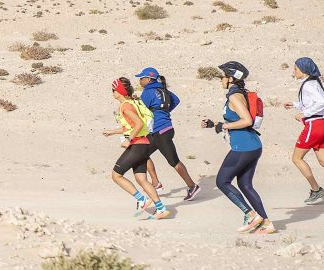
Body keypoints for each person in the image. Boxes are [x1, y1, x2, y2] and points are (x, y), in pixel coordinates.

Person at [201, 61, 275, 234]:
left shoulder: (234, 96)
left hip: (243, 147)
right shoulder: (240, 93)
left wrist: (224, 126)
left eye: (222, 76)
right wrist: (215, 124)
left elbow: (246, 120)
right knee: (245, 184)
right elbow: (236, 119)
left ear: (231, 78)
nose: (220, 79)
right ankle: (266, 223)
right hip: (252, 145)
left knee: (222, 181)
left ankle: (250, 215)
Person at [103, 78, 172, 219]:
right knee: (142, 179)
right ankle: (161, 209)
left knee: (116, 175)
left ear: (119, 91)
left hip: (137, 145)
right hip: (144, 144)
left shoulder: (125, 106)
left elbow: (139, 124)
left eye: (113, 90)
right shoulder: (133, 103)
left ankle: (141, 199)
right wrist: (113, 132)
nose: (112, 92)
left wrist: (128, 140)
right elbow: (131, 126)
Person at [135, 67, 201, 200]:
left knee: (174, 161)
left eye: (141, 78)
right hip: (165, 129)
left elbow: (139, 111)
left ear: (149, 79)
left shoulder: (147, 92)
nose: (139, 81)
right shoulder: (163, 89)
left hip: (160, 131)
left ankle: (192, 186)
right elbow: (176, 100)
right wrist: (164, 111)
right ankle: (156, 183)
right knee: (141, 153)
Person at [283, 57, 324, 204]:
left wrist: (304, 114)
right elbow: (311, 102)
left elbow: (321, 102)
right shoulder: (314, 82)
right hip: (321, 124)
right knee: (322, 160)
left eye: (295, 68)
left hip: (313, 126)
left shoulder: (308, 85)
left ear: (304, 70)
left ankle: (316, 190)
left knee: (296, 158)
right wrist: (295, 104)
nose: (293, 71)